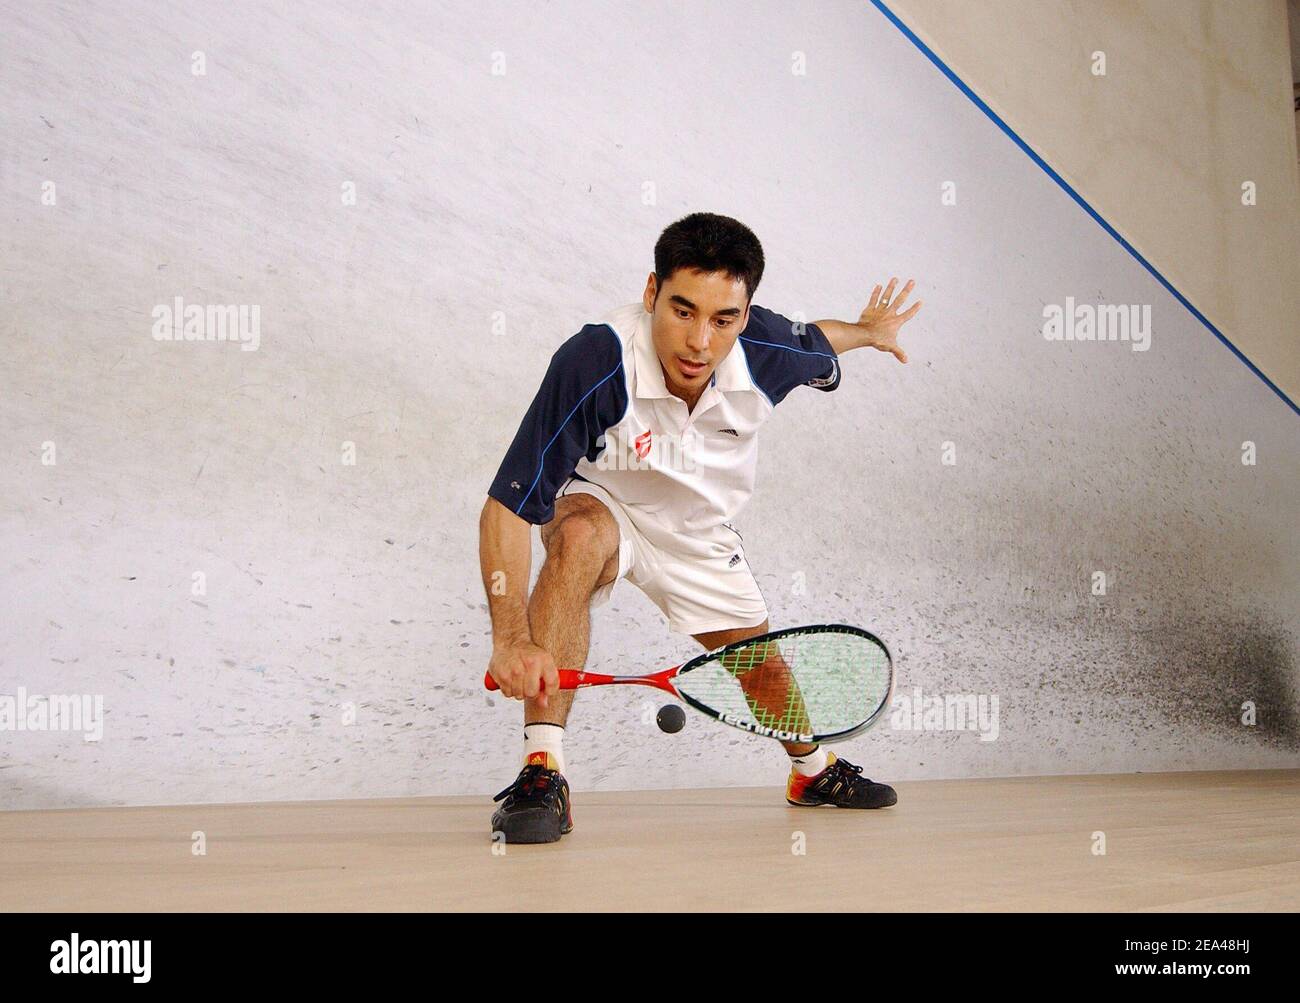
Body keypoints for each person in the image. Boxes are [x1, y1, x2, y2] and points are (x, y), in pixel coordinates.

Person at [479, 212, 921, 843]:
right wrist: (511, 640)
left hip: (696, 533)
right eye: (682, 311)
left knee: (757, 664)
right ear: (651, 292)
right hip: (605, 500)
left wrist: (868, 331)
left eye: (722, 320)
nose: (699, 341)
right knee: (577, 536)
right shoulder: (596, 359)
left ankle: (811, 770)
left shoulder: (765, 350)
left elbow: (820, 340)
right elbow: (507, 503)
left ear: (745, 316)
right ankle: (541, 771)